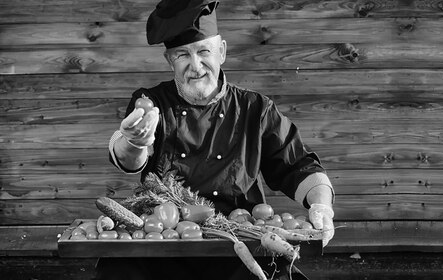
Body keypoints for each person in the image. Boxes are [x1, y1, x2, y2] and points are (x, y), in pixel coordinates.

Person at [96, 0, 335, 279]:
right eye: (182, 55)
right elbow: (129, 160)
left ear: (221, 51)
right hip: (164, 244)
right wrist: (134, 141)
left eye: (203, 51)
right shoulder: (152, 104)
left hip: (238, 241)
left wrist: (321, 206)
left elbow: (297, 165)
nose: (195, 66)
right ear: (169, 60)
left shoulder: (255, 109)